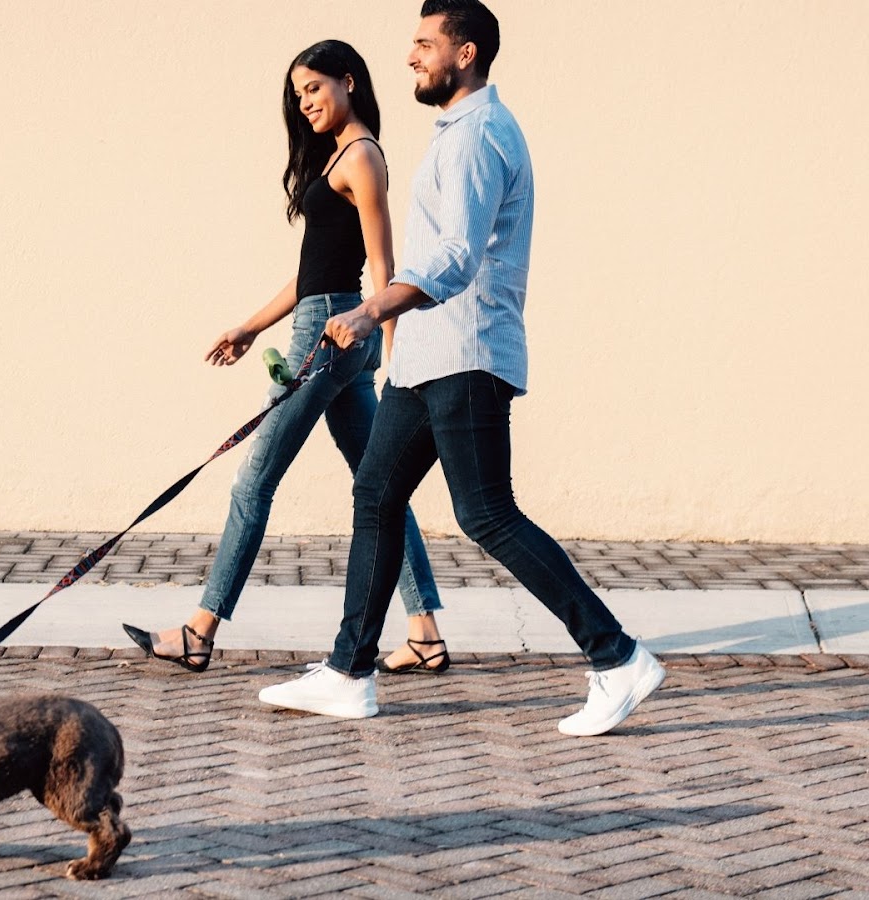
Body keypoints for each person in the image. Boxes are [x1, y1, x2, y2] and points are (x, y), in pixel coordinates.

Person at [258, 0, 664, 736]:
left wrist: (370, 309)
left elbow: (454, 256)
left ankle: (617, 656)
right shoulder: (456, 132)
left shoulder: (478, 136)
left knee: (485, 513)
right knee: (376, 494)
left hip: (467, 352)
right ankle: (350, 672)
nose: (410, 56)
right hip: (428, 356)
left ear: (465, 53)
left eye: (423, 44)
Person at [122, 40, 449, 676]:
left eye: (315, 89)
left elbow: (381, 265)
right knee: (378, 486)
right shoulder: (336, 158)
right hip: (328, 328)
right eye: (298, 97)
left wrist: (390, 352)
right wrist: (248, 327)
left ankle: (200, 629)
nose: (305, 104)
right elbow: (311, 275)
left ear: (348, 82)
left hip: (329, 337)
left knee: (254, 482)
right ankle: (425, 631)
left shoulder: (362, 158)